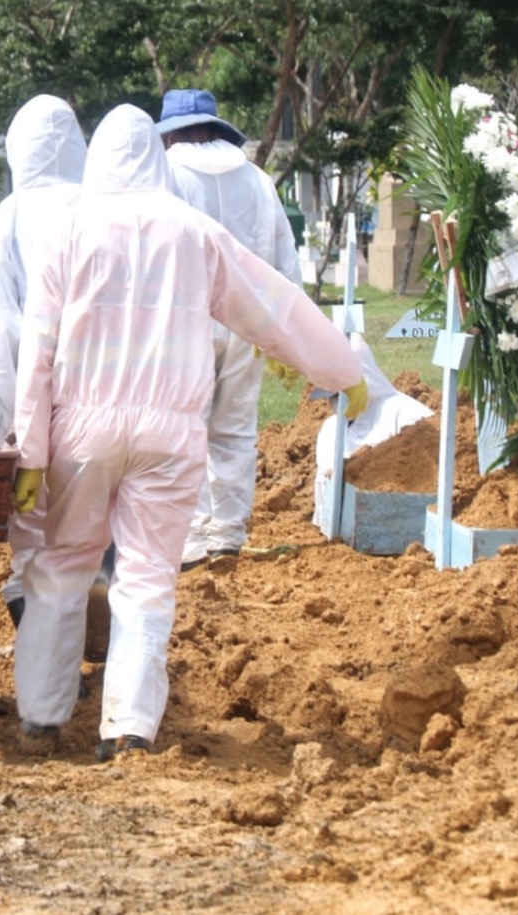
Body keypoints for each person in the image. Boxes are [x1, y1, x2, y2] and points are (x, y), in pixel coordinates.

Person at [10, 104, 367, 763]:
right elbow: (273, 308)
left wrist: (29, 449)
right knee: (146, 578)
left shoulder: (64, 231)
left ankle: (40, 711)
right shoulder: (194, 232)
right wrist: (341, 369)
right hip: (171, 435)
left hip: (79, 432)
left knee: (59, 565)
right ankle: (128, 725)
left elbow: (36, 350)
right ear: (155, 157)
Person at [156, 88, 303, 574]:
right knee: (235, 430)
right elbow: (285, 261)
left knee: (185, 428)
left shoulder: (165, 174)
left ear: (171, 132)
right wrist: (287, 335)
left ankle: (191, 540)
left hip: (185, 323)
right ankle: (227, 536)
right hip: (247, 321)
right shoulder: (258, 180)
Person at [0, 95, 87, 626]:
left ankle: (47, 667)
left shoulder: (7, 221)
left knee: (32, 530)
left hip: (34, 403)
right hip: (105, 404)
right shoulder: (103, 208)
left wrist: (1, 429)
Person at [312, 333, 433, 529]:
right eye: (330, 395)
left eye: (338, 393)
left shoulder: (408, 418)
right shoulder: (330, 430)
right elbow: (321, 502)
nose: (332, 402)